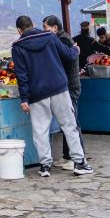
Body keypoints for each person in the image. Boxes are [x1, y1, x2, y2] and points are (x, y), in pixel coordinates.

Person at [11, 16, 91, 177]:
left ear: (19, 30)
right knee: (69, 125)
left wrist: (24, 98)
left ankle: (45, 166)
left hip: (37, 93)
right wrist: (76, 50)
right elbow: (69, 55)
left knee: (40, 130)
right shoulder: (50, 37)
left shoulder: (17, 47)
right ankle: (79, 163)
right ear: (33, 24)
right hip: (58, 88)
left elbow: (21, 75)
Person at [43, 15, 85, 171]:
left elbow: (64, 59)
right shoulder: (60, 39)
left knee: (72, 123)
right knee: (66, 123)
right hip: (64, 86)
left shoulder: (64, 40)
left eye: (46, 27)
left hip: (70, 86)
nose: (44, 30)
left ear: (55, 28)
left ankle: (78, 158)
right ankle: (67, 156)